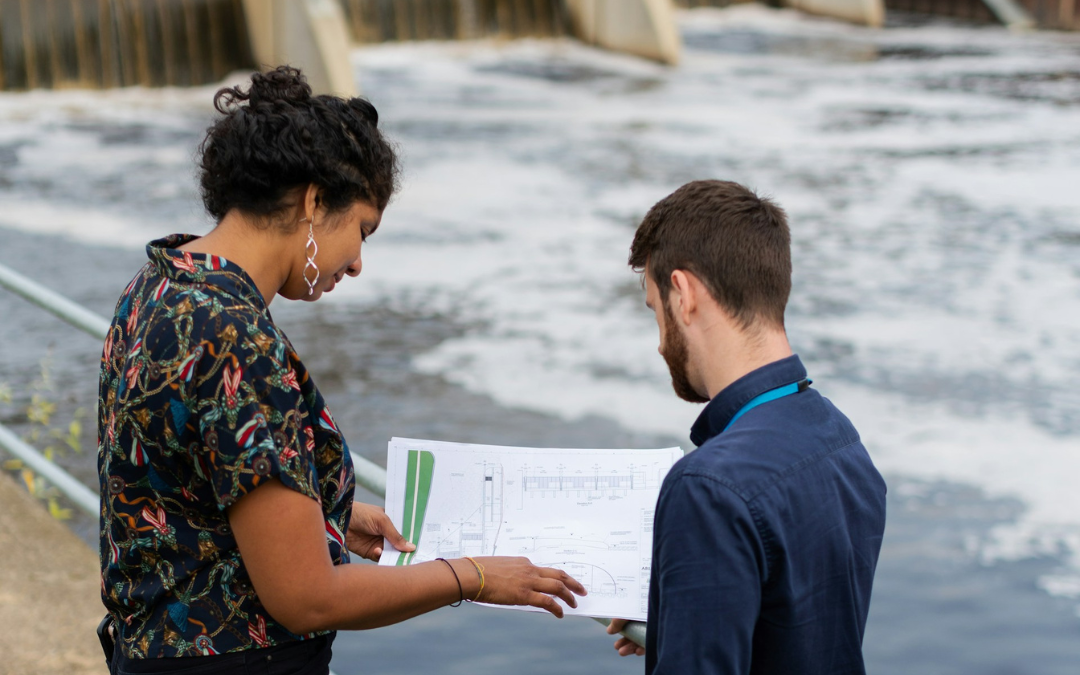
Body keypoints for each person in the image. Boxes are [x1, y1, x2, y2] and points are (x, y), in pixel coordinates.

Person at [97, 66, 585, 673]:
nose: (356, 263)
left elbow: (177, 482)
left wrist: (324, 512)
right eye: (362, 230)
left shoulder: (158, 284)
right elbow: (306, 598)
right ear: (313, 200)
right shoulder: (237, 338)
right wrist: (473, 576)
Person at [606, 180, 886, 674]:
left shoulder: (708, 487)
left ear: (684, 294)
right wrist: (683, 621)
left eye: (656, 312)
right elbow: (800, 633)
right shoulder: (841, 439)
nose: (659, 344)